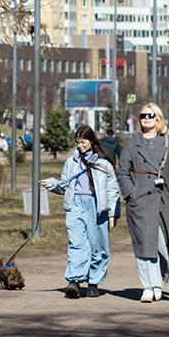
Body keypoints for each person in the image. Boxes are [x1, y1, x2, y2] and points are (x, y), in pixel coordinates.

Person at [116, 102, 169, 303]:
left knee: (162, 245)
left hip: (163, 202)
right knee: (143, 246)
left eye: (150, 115)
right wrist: (131, 193)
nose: (146, 119)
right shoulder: (132, 144)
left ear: (157, 118)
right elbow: (122, 171)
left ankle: (158, 279)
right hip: (139, 204)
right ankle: (149, 287)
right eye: (142, 116)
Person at [41, 126, 120, 298]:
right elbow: (64, 186)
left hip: (97, 207)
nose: (80, 146)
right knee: (77, 243)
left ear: (92, 142)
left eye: (83, 143)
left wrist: (113, 214)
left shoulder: (103, 164)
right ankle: (74, 281)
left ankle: (93, 282)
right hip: (75, 204)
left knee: (98, 246)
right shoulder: (71, 162)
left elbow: (112, 191)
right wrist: (52, 185)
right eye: (77, 143)